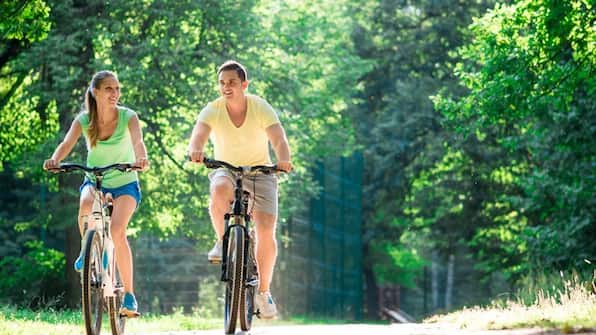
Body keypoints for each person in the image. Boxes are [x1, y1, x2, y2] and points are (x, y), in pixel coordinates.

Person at [188, 60, 292, 319]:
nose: (226, 87)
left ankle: (264, 293)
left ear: (244, 84)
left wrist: (284, 159)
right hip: (227, 168)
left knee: (266, 229)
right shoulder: (213, 109)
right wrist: (196, 149)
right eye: (222, 83)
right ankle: (224, 242)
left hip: (261, 171)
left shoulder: (259, 107)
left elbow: (278, 138)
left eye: (232, 82)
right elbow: (199, 134)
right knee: (219, 189)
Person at [43, 70, 149, 317]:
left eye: (117, 88)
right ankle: (87, 250)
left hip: (125, 183)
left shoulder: (128, 117)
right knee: (84, 205)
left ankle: (130, 296)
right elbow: (67, 143)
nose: (115, 93)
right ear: (95, 92)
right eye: (109, 89)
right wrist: (55, 159)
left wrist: (142, 158)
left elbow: (137, 142)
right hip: (95, 178)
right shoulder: (84, 120)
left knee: (117, 231)